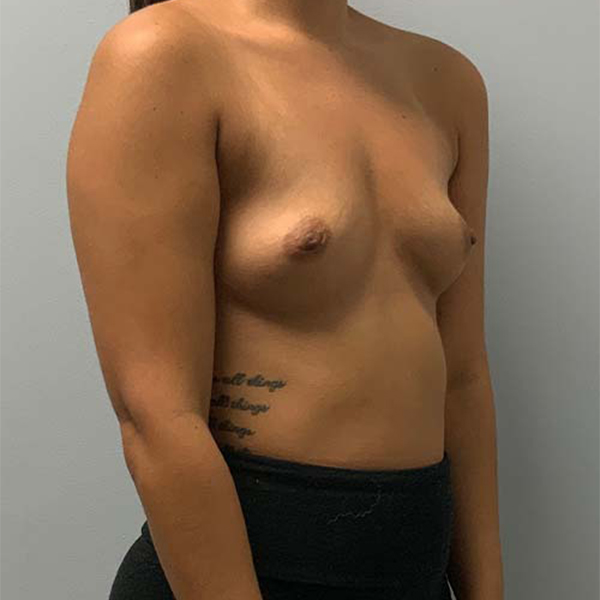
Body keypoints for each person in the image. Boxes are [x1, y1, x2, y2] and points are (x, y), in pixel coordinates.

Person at [66, 0, 504, 598]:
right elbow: (156, 418)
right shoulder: (164, 53)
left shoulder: (447, 82)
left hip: (415, 566)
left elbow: (465, 379)